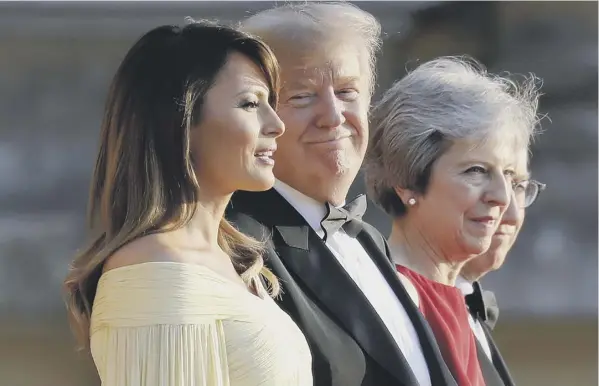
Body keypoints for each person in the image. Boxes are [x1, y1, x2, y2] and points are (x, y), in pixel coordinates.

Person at [62, 21, 313, 386]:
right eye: (250, 103)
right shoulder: (156, 268)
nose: (277, 125)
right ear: (180, 122)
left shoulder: (231, 261)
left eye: (270, 104)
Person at [227, 4, 456, 386]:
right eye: (301, 96)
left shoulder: (368, 239)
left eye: (348, 91)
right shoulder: (236, 244)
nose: (333, 116)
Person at [364, 56, 542, 386]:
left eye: (509, 176)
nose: (502, 197)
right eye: (477, 171)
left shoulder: (463, 307)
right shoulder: (374, 301)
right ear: (408, 179)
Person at [457, 176, 545, 386]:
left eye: (519, 187)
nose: (512, 215)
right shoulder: (392, 303)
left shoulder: (472, 309)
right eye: (478, 174)